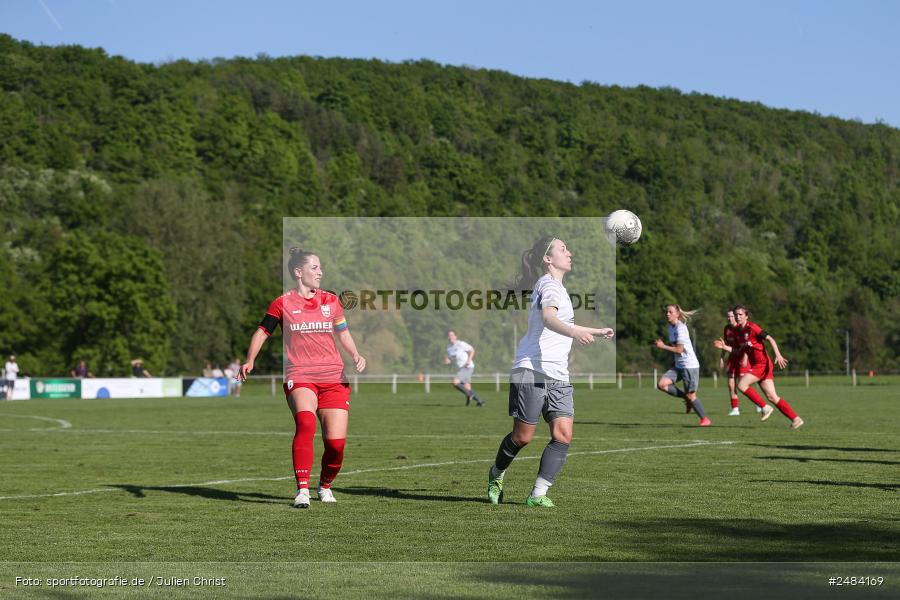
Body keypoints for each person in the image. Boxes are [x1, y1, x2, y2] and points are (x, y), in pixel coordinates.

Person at [486, 236, 614, 507]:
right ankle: (496, 474)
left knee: (563, 435)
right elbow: (549, 319)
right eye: (563, 249)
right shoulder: (548, 285)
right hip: (531, 370)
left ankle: (538, 494)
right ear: (547, 258)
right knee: (523, 437)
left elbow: (560, 321)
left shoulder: (557, 288)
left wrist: (596, 331)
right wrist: (577, 331)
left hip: (558, 374)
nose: (569, 252)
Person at [238, 248, 366, 508]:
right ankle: (303, 490)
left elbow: (343, 332)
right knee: (306, 424)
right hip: (300, 375)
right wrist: (250, 359)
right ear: (299, 272)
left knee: (336, 445)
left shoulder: (331, 301)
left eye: (321, 268)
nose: (321, 272)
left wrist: (355, 354)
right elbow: (262, 332)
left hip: (333, 378)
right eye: (315, 268)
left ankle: (325, 486)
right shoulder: (281, 303)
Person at [714, 305, 804, 429]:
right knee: (772, 396)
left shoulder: (753, 328)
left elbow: (770, 339)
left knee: (741, 385)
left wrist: (778, 354)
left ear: (746, 316)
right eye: (736, 315)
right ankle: (796, 419)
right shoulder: (738, 332)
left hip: (762, 364)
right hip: (759, 365)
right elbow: (737, 351)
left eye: (740, 314)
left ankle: (765, 407)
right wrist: (725, 348)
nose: (737, 317)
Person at [654, 304, 712, 426]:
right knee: (662, 384)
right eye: (666, 312)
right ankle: (686, 398)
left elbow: (679, 350)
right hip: (679, 365)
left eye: (670, 312)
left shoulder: (681, 328)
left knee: (691, 394)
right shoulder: (671, 327)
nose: (667, 314)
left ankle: (705, 419)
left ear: (677, 314)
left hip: (689, 366)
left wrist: (663, 346)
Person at [718, 309, 750, 416]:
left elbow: (746, 346)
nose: (730, 318)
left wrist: (745, 357)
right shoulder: (727, 329)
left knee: (743, 384)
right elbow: (725, 344)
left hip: (741, 358)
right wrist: (722, 358)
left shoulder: (740, 329)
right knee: (731, 384)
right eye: (728, 316)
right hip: (732, 358)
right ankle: (735, 409)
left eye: (732, 316)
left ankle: (758, 403)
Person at [444, 330, 484, 407]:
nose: (450, 337)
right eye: (449, 335)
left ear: (456, 336)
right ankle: (480, 402)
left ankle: (469, 395)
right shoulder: (449, 348)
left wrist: (468, 360)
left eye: (452, 335)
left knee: (455, 382)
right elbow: (452, 358)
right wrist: (448, 360)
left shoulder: (461, 344)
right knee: (467, 387)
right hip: (460, 369)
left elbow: (472, 350)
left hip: (467, 367)